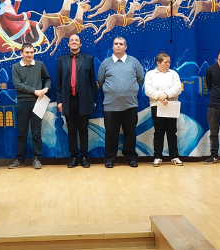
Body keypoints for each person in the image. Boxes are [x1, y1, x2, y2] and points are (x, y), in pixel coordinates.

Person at [97, 37, 145, 168]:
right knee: (111, 134)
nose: (118, 46)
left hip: (130, 105)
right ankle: (109, 159)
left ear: (125, 47)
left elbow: (140, 79)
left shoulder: (134, 62)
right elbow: (100, 81)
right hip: (111, 106)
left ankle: (131, 157)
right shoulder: (105, 63)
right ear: (112, 47)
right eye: (115, 44)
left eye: (121, 44)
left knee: (130, 133)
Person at [56, 34, 97, 168]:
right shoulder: (61, 60)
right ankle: (73, 157)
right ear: (68, 44)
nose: (74, 42)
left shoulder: (88, 59)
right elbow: (59, 83)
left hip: (84, 100)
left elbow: (92, 82)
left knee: (83, 129)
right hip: (68, 101)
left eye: (76, 40)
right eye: (71, 40)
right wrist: (59, 101)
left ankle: (84, 157)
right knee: (71, 130)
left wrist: (93, 100)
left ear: (80, 44)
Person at [9, 43, 52, 169]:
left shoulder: (39, 65)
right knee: (21, 132)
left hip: (38, 102)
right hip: (23, 102)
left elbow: (48, 79)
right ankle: (19, 159)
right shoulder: (15, 67)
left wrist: (46, 88)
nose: (29, 55)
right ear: (21, 53)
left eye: (32, 52)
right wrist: (34, 91)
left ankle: (37, 158)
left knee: (36, 132)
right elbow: (18, 84)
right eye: (27, 52)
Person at [144, 52, 183, 166]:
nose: (168, 64)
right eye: (165, 62)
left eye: (169, 62)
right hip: (156, 106)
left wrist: (166, 95)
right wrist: (160, 97)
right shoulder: (150, 74)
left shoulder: (173, 74)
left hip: (171, 105)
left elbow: (178, 88)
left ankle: (174, 156)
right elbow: (148, 90)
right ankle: (157, 157)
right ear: (158, 63)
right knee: (158, 132)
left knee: (172, 132)